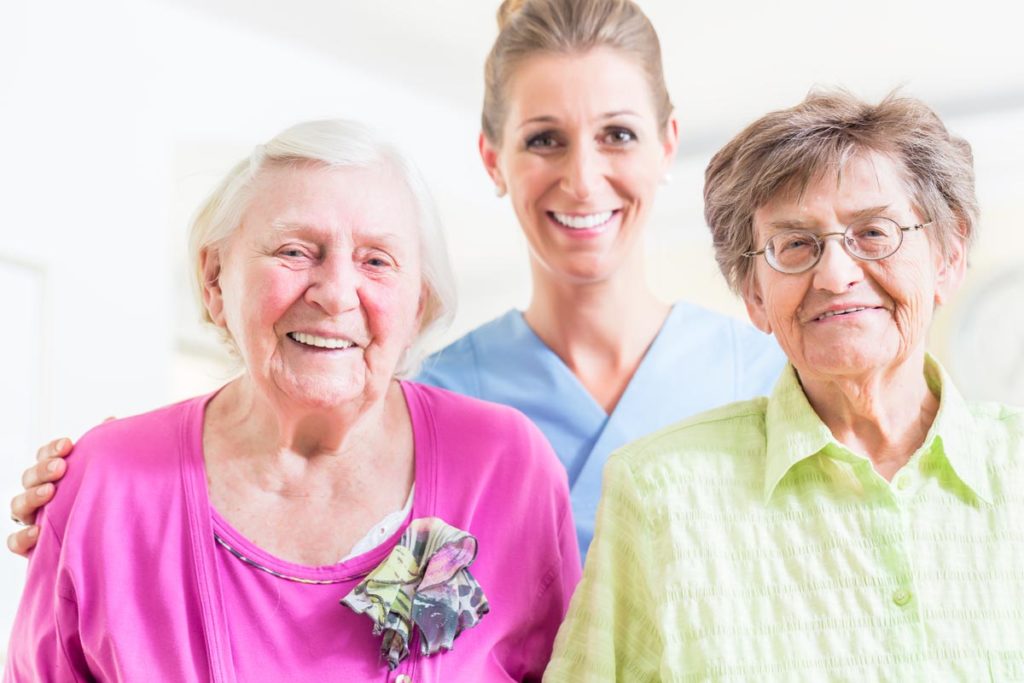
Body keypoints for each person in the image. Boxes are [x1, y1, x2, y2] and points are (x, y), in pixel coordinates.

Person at [8, 0, 784, 558]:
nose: (582, 179)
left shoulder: (767, 378)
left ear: (667, 143)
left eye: (618, 134)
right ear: (493, 158)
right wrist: (98, 490)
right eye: (544, 139)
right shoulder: (422, 400)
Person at [5, 120, 580, 681]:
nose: (335, 294)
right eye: (295, 251)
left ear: (419, 305)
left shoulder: (507, 468)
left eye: (376, 260)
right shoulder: (106, 483)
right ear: (214, 279)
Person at [544, 91, 1024, 680]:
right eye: (794, 245)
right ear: (753, 295)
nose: (836, 274)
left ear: (947, 258)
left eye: (873, 232)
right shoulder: (660, 491)